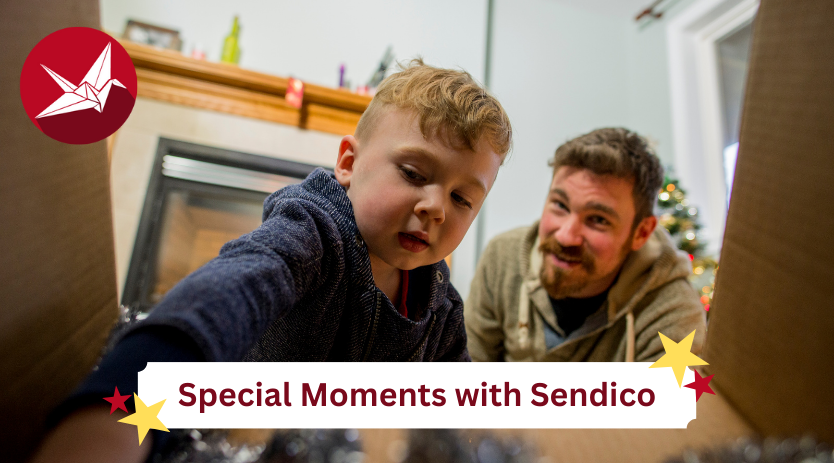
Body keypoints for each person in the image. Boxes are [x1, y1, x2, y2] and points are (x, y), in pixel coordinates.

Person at [32, 60, 512, 463]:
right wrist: (122, 401)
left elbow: (460, 409)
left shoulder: (440, 305)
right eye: (413, 173)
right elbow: (230, 288)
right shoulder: (310, 234)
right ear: (347, 163)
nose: (436, 207)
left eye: (462, 198)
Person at [464, 128, 705, 363]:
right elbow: (466, 382)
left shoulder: (673, 313)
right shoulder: (503, 258)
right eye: (560, 205)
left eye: (598, 220)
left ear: (641, 233)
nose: (566, 237)